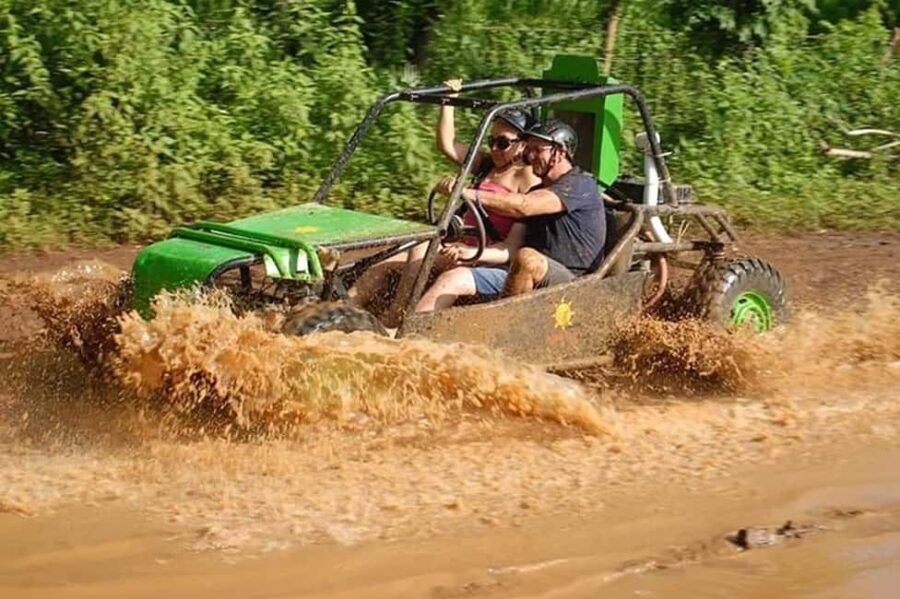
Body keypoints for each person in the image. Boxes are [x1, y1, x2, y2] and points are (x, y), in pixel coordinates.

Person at [349, 78, 539, 322]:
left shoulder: (527, 177)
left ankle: (395, 318)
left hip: (484, 256)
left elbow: (514, 240)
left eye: (502, 143)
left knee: (421, 250)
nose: (494, 149)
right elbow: (447, 144)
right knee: (383, 263)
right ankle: (341, 309)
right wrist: (449, 99)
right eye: (491, 142)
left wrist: (469, 249)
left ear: (523, 144)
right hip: (457, 246)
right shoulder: (487, 166)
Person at [416, 119, 605, 312]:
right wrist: (470, 252)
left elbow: (525, 206)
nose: (530, 156)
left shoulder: (580, 184)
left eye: (537, 150)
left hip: (572, 283)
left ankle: (504, 329)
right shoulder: (534, 190)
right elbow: (511, 246)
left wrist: (467, 192)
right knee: (447, 271)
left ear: (560, 153)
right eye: (529, 149)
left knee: (527, 258)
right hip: (518, 273)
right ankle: (398, 328)